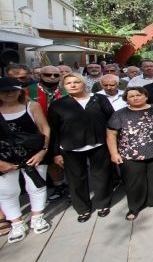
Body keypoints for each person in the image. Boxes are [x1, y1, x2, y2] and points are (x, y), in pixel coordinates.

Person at [47, 73, 114, 223]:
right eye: (68, 83)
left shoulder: (99, 99)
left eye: (76, 82)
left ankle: (103, 203)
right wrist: (56, 153)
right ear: (63, 86)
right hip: (71, 148)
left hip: (98, 144)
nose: (72, 85)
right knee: (76, 179)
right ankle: (83, 208)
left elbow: (112, 120)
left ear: (83, 83)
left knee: (101, 175)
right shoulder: (58, 104)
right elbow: (54, 130)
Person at [107, 87, 153, 221]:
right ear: (126, 99)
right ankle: (135, 206)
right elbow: (111, 134)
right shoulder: (119, 114)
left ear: (145, 96)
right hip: (131, 154)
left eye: (138, 95)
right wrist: (114, 153)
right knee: (134, 181)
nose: (135, 98)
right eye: (131, 96)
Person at [0, 77, 51, 243]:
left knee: (36, 185)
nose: (9, 94)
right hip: (4, 157)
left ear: (19, 91)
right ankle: (16, 222)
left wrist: (43, 151)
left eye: (13, 90)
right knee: (7, 191)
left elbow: (44, 128)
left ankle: (37, 216)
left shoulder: (31, 106)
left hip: (33, 153)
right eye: (4, 91)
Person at [24, 65, 69, 202]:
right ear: (39, 76)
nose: (52, 77)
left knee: (69, 159)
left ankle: (73, 185)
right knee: (49, 161)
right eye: (48, 74)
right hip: (40, 132)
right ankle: (59, 185)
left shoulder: (66, 89)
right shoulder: (27, 91)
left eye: (56, 75)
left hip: (64, 131)